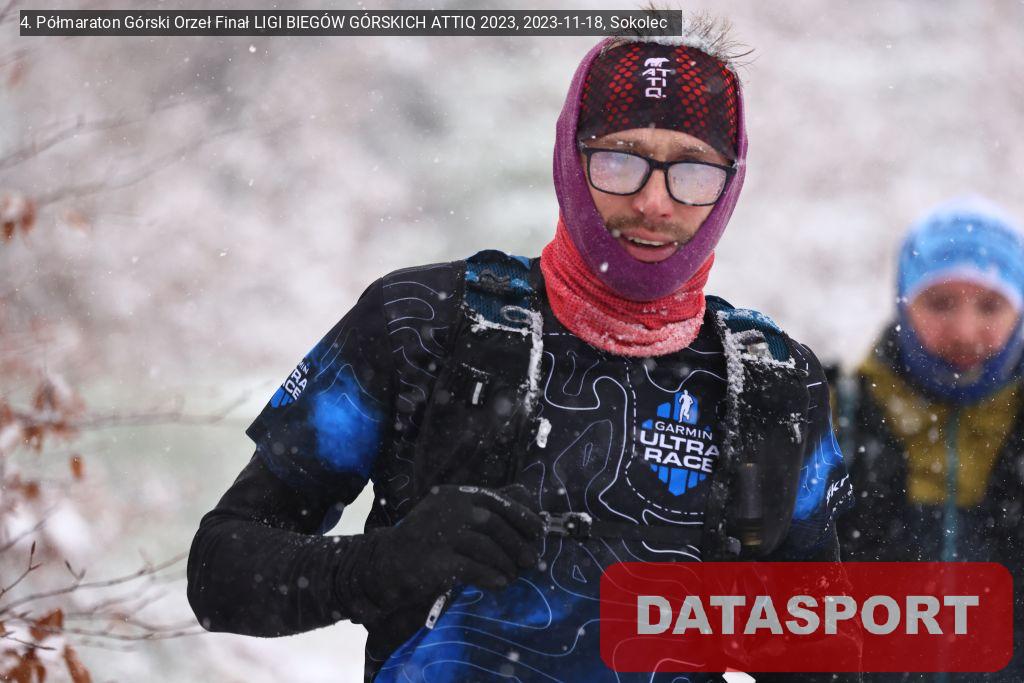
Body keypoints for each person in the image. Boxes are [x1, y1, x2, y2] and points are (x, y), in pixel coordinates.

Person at [188, 14, 855, 682]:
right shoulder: (423, 322)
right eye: (620, 160)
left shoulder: (771, 384)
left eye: (693, 170)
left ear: (730, 183)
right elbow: (219, 572)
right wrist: (381, 564)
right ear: (570, 158)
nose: (655, 201)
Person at [836, 196, 1024, 681]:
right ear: (903, 301)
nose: (965, 330)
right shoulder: (836, 417)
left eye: (990, 304)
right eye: (940, 303)